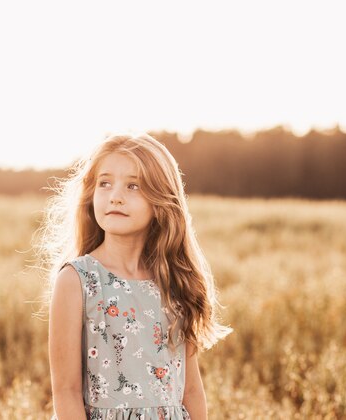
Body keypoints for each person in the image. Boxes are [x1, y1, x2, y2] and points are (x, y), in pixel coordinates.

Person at [36, 132, 233, 419]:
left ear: (161, 200)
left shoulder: (174, 281)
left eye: (133, 186)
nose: (115, 196)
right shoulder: (77, 280)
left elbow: (190, 389)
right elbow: (65, 392)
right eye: (105, 183)